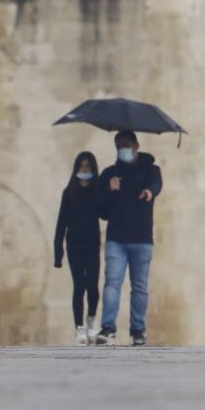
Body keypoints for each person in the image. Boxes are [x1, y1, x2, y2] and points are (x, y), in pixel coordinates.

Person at [95, 130, 162, 346]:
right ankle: (107, 328)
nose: (123, 148)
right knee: (112, 283)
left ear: (136, 145)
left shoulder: (150, 170)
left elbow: (156, 185)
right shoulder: (109, 174)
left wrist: (149, 192)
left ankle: (138, 330)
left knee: (140, 287)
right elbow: (101, 210)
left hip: (142, 239)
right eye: (119, 145)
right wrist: (110, 189)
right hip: (116, 239)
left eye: (126, 144)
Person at [54, 151, 103, 345]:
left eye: (88, 167)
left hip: (92, 245)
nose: (85, 170)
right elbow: (61, 223)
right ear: (76, 169)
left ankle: (91, 320)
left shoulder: (98, 190)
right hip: (74, 246)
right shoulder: (69, 192)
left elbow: (105, 212)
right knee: (79, 286)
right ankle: (79, 328)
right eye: (82, 167)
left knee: (93, 286)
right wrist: (58, 252)